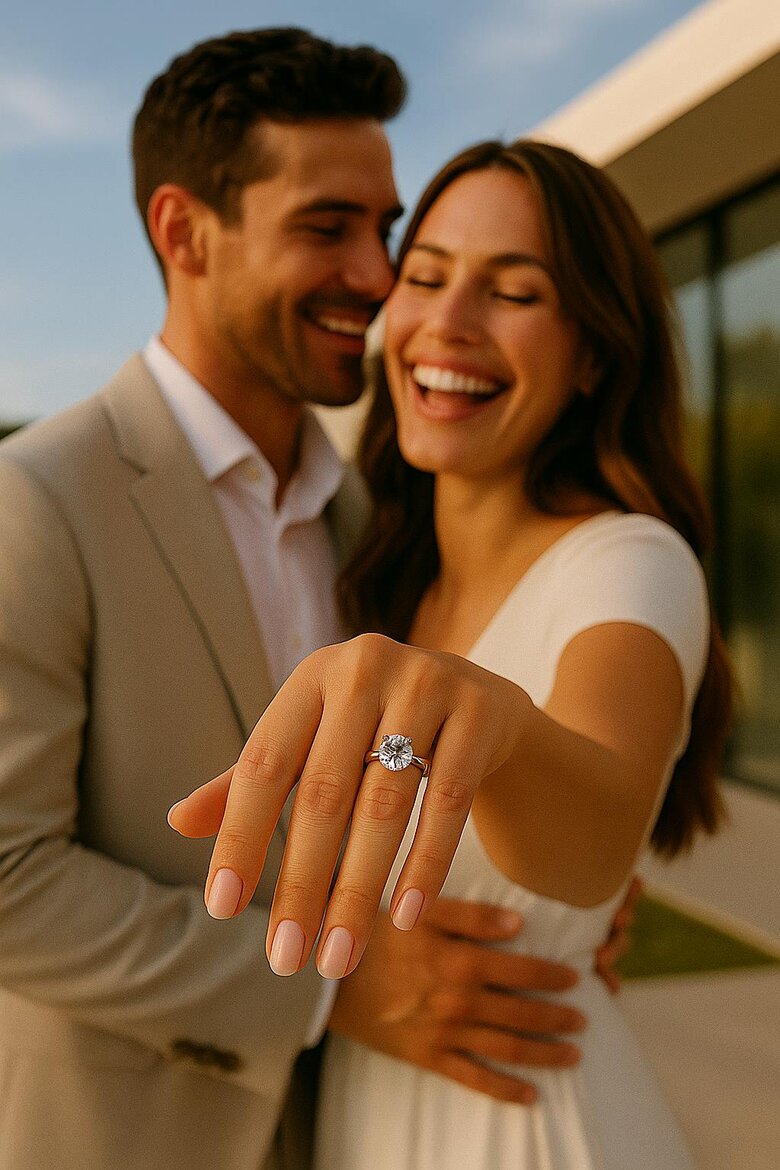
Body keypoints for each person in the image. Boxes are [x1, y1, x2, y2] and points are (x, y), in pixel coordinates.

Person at [0, 31, 625, 1170]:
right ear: (184, 233)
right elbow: (7, 875)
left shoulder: (375, 520)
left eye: (382, 228)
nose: (380, 278)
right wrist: (334, 992)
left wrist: (536, 900)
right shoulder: (36, 500)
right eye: (325, 227)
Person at [170, 138, 733, 1168]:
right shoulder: (366, 564)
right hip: (355, 1114)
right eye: (425, 277)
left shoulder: (632, 561)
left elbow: (597, 830)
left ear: (597, 350)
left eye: (513, 292)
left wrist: (498, 723)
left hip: (524, 1126)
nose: (449, 324)